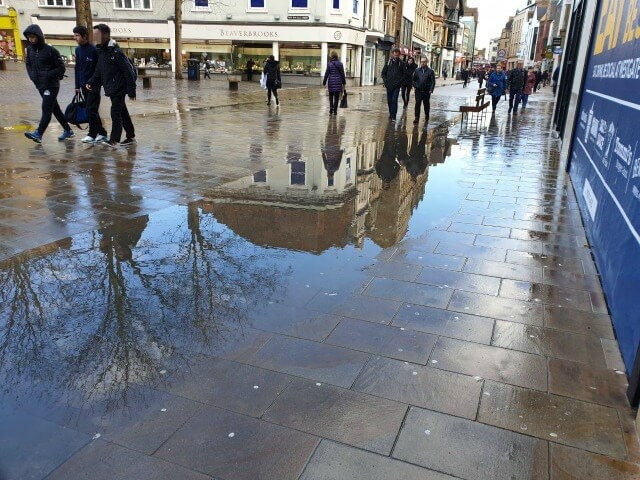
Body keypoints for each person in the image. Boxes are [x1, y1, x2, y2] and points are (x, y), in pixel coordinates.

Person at [86, 23, 136, 148]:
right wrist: (91, 81)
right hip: (112, 87)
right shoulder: (102, 51)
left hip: (119, 87)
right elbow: (99, 70)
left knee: (115, 112)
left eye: (97, 34)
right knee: (122, 112)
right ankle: (130, 136)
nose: (95, 37)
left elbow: (127, 71)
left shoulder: (115, 51)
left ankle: (114, 140)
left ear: (106, 35)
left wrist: (131, 90)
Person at [23, 25, 75, 143]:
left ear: (38, 36)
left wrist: (48, 75)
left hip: (51, 85)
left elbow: (61, 68)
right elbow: (28, 64)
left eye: (33, 37)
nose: (30, 39)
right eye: (28, 37)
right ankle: (68, 130)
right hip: (40, 85)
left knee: (46, 108)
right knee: (54, 108)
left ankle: (39, 133)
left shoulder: (50, 51)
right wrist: (33, 77)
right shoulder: (30, 50)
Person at [73, 25, 108, 145]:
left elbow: (99, 69)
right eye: (74, 35)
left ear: (84, 36)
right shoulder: (78, 50)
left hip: (93, 85)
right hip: (83, 85)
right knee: (92, 110)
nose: (75, 38)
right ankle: (102, 133)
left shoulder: (94, 50)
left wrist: (93, 82)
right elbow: (77, 69)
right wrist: (77, 85)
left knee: (90, 109)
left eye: (77, 35)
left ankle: (92, 134)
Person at [381, 48, 406, 122]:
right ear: (392, 54)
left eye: (397, 55)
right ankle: (391, 114)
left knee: (394, 100)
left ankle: (394, 116)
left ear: (399, 55)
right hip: (389, 85)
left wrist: (399, 82)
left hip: (397, 86)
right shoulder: (388, 62)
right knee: (389, 101)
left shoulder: (401, 63)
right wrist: (385, 81)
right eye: (395, 55)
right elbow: (383, 73)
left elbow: (404, 74)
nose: (396, 56)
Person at [412, 57, 435, 125]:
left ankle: (427, 115)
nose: (423, 63)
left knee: (426, 105)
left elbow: (433, 81)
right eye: (422, 62)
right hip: (418, 91)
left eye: (424, 62)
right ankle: (416, 117)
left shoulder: (430, 71)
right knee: (417, 104)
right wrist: (415, 85)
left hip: (426, 91)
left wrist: (431, 89)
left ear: (427, 62)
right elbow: (413, 80)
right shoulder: (417, 70)